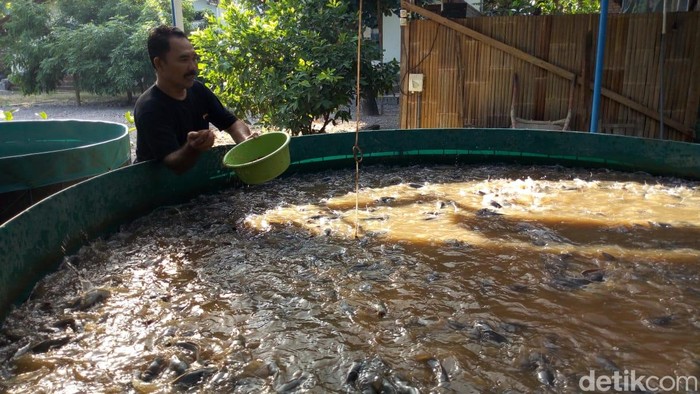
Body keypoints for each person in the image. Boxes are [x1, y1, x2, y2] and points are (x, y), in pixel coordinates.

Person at [134, 25, 256, 173]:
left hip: (195, 176)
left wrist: (246, 142)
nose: (193, 67)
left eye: (194, 58)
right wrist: (192, 148)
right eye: (184, 59)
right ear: (159, 63)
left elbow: (233, 123)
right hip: (153, 186)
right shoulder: (149, 108)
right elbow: (174, 165)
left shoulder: (198, 90)